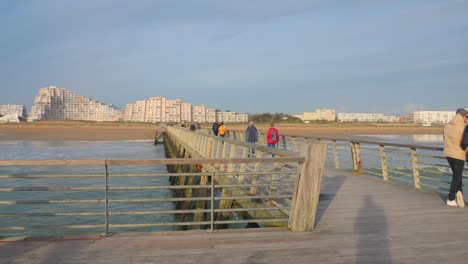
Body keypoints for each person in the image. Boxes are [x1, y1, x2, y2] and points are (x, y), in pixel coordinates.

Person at [443, 108, 468, 208]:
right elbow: (464, 143)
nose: (467, 119)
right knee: (457, 177)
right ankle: (451, 198)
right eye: (467, 116)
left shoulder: (447, 126)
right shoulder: (463, 127)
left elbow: (445, 139)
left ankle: (459, 194)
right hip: (458, 155)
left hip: (448, 154)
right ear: (462, 116)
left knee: (457, 176)